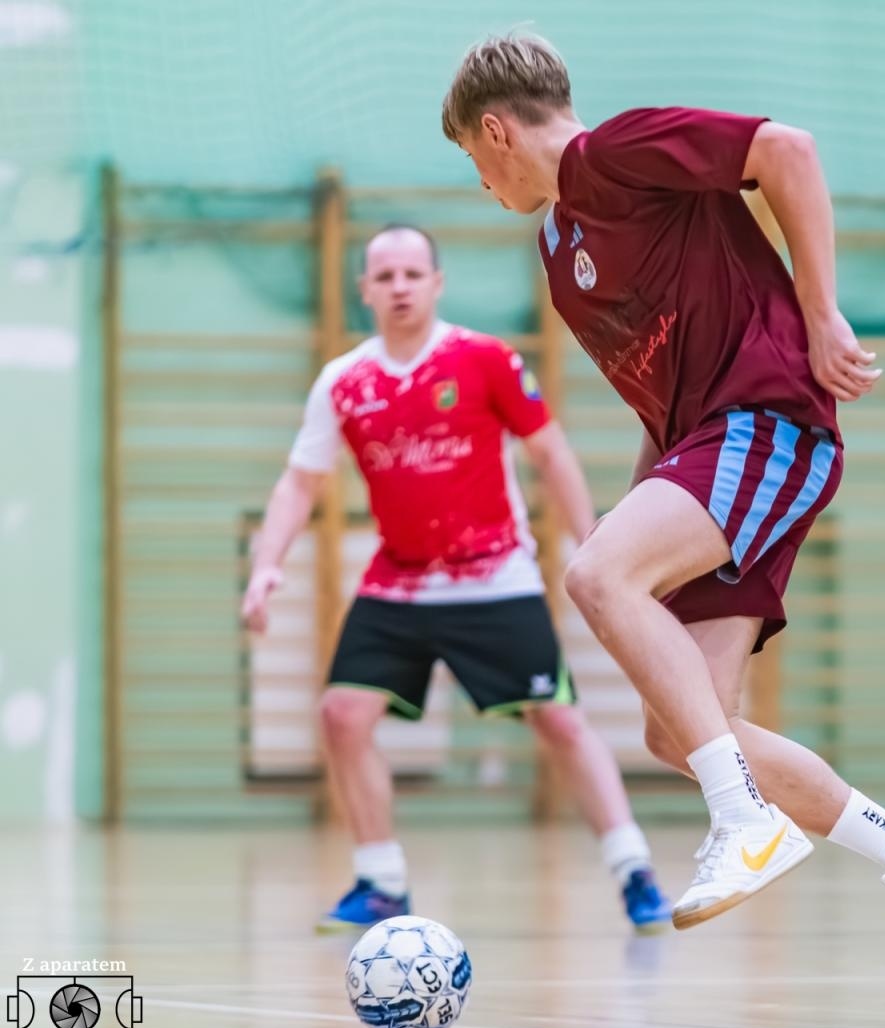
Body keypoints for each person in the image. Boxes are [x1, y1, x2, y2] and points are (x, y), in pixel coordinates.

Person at [439, 33, 885, 972]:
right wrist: (644, 506)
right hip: (708, 448)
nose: (481, 182)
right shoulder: (560, 245)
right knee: (676, 723)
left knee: (599, 574)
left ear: (495, 132)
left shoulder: (614, 152)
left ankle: (744, 821)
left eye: (471, 160)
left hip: (769, 420)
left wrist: (820, 314)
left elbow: (788, 151)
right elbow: (662, 398)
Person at [241, 223, 672, 934]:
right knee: (341, 715)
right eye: (385, 276)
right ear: (365, 291)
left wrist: (590, 542)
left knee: (559, 719)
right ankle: (381, 881)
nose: (400, 286)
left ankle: (633, 868)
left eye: (414, 273)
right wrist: (266, 568)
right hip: (399, 581)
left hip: (495, 576)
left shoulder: (485, 359)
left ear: (437, 283)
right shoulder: (344, 382)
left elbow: (551, 452)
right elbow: (299, 482)